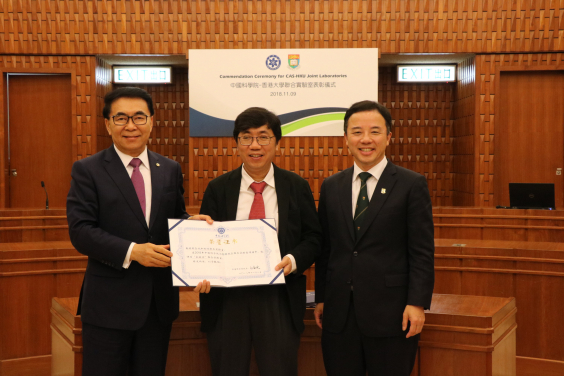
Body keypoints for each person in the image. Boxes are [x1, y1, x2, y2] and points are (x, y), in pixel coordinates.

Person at [67, 87, 211, 376]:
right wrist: (133, 251)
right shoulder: (88, 170)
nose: (130, 125)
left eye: (139, 117)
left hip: (157, 306)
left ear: (152, 121)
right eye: (120, 118)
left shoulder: (168, 168)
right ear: (107, 124)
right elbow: (81, 231)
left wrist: (190, 226)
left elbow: (172, 217)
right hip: (109, 305)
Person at [198, 107, 322, 376]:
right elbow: (207, 241)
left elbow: (313, 238)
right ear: (237, 144)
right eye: (246, 137)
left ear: (276, 142)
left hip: (279, 297)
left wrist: (292, 260)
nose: (255, 145)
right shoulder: (218, 188)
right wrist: (201, 269)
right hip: (227, 301)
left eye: (263, 137)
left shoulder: (296, 186)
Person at [314, 100, 435, 376]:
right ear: (345, 138)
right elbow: (326, 249)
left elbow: (422, 251)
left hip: (391, 314)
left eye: (375, 131)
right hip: (339, 313)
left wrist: (417, 303)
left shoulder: (411, 184)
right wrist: (322, 297)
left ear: (389, 137)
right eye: (356, 132)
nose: (365, 139)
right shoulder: (332, 186)